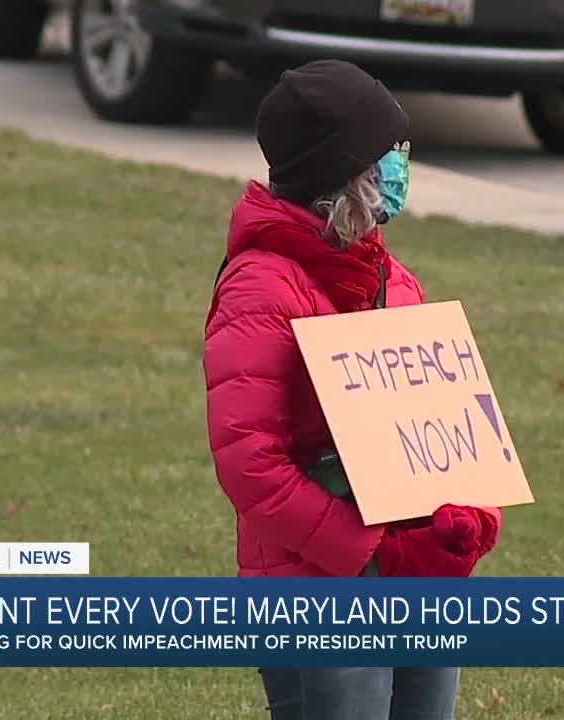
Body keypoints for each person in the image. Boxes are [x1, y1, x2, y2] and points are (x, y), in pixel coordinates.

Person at [202, 60, 502, 720]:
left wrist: (466, 522)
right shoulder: (260, 288)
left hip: (414, 587)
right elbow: (249, 464)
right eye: (386, 153)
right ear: (340, 172)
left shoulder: (395, 279)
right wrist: (368, 550)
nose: (399, 167)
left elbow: (444, 436)